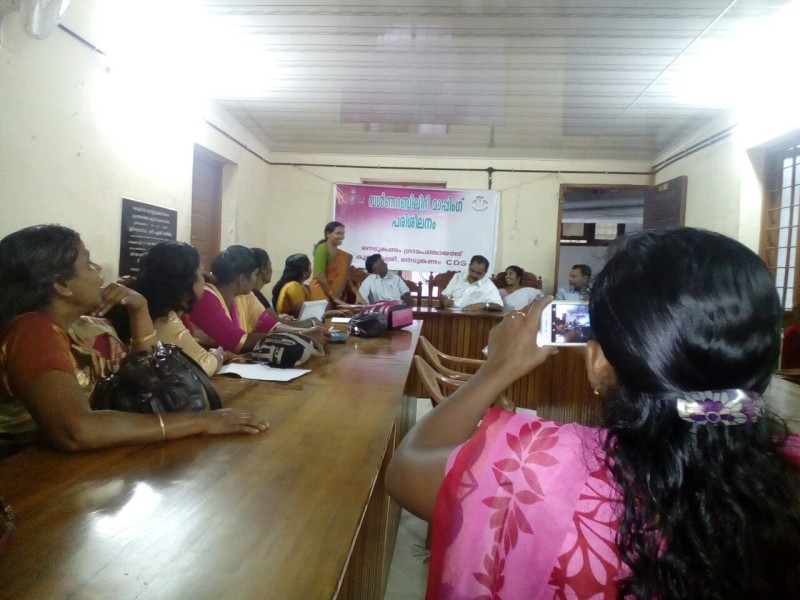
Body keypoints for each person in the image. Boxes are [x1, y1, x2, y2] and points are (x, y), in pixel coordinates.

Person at [387, 228, 800, 599]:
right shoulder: (790, 467)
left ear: (599, 362)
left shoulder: (537, 468)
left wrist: (497, 369)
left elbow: (406, 468)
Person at [0, 225, 267, 452]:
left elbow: (150, 379)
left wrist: (139, 308)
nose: (99, 270)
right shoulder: (31, 330)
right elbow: (75, 430)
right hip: (30, 474)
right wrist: (201, 421)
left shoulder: (85, 326)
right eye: (88, 264)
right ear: (61, 285)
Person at [188, 245, 326, 354]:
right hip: (205, 372)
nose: (256, 279)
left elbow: (270, 325)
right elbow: (238, 342)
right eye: (255, 274)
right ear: (242, 279)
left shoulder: (244, 295)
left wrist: (305, 332)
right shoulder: (205, 298)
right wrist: (301, 336)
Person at [130, 241, 231, 377]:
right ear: (186, 281)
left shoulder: (156, 306)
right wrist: (220, 355)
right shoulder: (163, 318)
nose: (205, 280)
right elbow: (203, 365)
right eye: (201, 273)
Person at [309, 221, 366, 305]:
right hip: (321, 295)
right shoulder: (322, 249)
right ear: (328, 234)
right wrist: (334, 298)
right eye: (338, 233)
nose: (341, 237)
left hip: (336, 297)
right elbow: (320, 276)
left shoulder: (343, 255)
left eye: (343, 234)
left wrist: (357, 294)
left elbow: (345, 277)